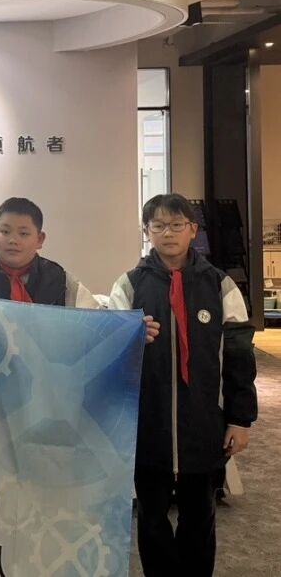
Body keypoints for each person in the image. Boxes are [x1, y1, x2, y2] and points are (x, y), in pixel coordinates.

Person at [109, 193, 258, 577]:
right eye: (158, 226)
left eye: (176, 225)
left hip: (204, 426)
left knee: (200, 515)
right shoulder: (129, 285)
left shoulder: (221, 286)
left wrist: (240, 420)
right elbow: (107, 352)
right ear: (147, 231)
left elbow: (240, 359)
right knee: (152, 518)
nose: (168, 233)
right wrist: (128, 337)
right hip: (149, 426)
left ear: (193, 230)